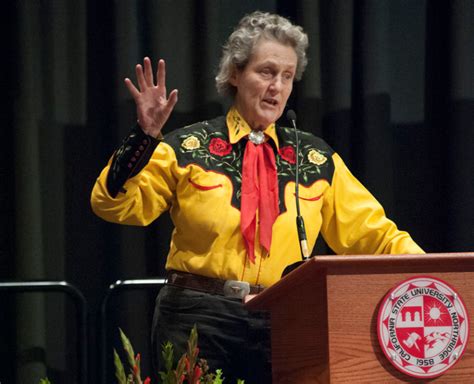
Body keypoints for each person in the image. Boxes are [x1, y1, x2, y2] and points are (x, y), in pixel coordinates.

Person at [91, 11, 423, 383]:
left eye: (286, 76)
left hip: (284, 318)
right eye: (266, 72)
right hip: (197, 317)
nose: (276, 87)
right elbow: (114, 204)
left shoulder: (315, 158)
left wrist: (432, 273)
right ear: (235, 73)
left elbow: (375, 236)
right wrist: (143, 137)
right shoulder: (187, 147)